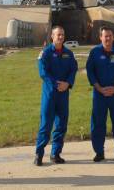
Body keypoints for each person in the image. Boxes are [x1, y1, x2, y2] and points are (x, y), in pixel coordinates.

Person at [34, 25, 78, 166]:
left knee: (61, 125)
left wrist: (68, 83)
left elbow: (73, 69)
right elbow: (43, 72)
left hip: (63, 95)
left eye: (62, 35)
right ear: (52, 36)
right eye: (58, 34)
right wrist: (56, 84)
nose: (60, 37)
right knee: (46, 125)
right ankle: (39, 154)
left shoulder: (69, 54)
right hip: (50, 95)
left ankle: (55, 154)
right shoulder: (45, 53)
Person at [86, 26, 114, 162]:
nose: (108, 38)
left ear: (113, 37)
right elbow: (90, 72)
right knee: (98, 123)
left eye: (110, 36)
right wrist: (99, 88)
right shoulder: (94, 53)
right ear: (100, 37)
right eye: (105, 36)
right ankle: (99, 152)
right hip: (99, 95)